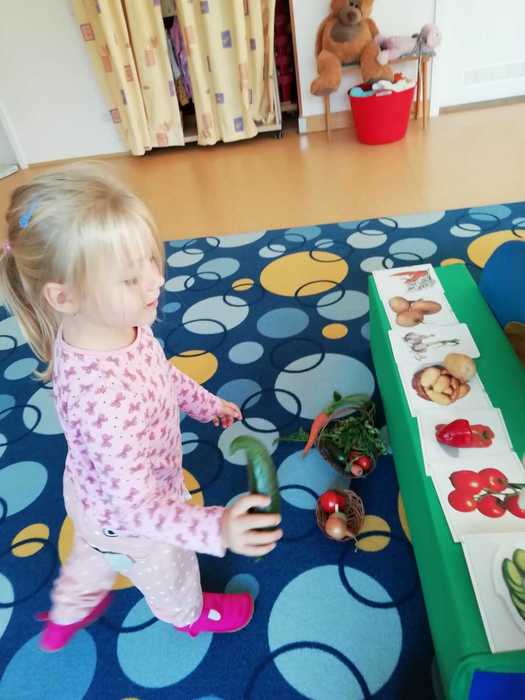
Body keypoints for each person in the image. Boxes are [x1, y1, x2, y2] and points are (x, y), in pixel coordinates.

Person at [0, 163, 283, 652]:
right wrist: (217, 527)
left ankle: (69, 608)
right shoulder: (102, 401)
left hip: (93, 493)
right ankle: (190, 615)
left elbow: (158, 373)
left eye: (152, 259)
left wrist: (204, 404)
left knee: (92, 553)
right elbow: (139, 511)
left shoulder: (109, 327)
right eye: (131, 278)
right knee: (168, 570)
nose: (156, 281)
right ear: (63, 296)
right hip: (131, 519)